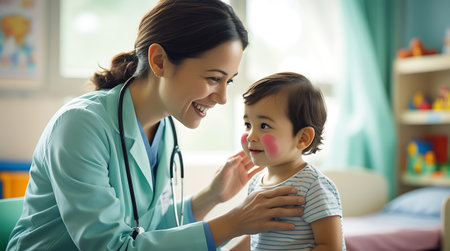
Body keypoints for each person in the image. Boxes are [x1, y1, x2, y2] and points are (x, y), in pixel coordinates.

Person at [6, 1, 306, 250]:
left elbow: (144, 229)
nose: (222, 98)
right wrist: (233, 222)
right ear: (160, 60)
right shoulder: (80, 126)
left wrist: (211, 197)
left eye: (228, 81)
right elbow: (112, 246)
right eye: (213, 78)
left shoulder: (163, 127)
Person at [236, 72, 345, 250]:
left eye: (264, 126)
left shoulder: (313, 186)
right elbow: (254, 237)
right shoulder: (256, 183)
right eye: (248, 125)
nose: (250, 136)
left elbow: (331, 246)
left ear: (302, 138)